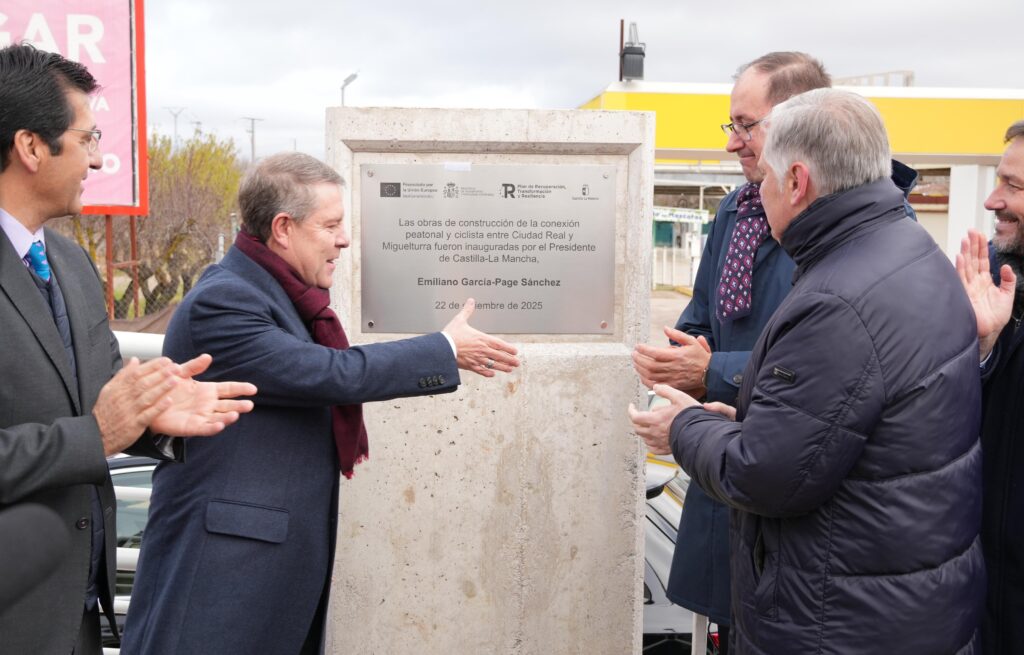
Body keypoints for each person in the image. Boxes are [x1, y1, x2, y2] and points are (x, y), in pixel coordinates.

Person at [122, 152, 521, 654]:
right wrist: (441, 350)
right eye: (330, 225)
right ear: (283, 228)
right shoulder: (223, 301)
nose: (345, 239)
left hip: (265, 569)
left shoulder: (278, 296)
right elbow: (328, 373)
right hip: (221, 574)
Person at [630, 88, 984, 653]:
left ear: (796, 181)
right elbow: (840, 425)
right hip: (900, 604)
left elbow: (766, 475)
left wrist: (684, 428)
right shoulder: (910, 249)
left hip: (838, 619)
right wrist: (743, 417)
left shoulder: (839, 299)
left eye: (764, 178)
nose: (757, 191)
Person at [0, 43, 257, 654]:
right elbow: (93, 428)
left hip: (77, 616)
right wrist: (100, 434)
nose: (96, 159)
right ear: (31, 147)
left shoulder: (69, 262)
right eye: (87, 139)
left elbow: (99, 400)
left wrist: (151, 420)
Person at [955, 119, 1024, 655]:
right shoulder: (999, 282)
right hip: (990, 599)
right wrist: (980, 348)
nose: (993, 200)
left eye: (1014, 186)